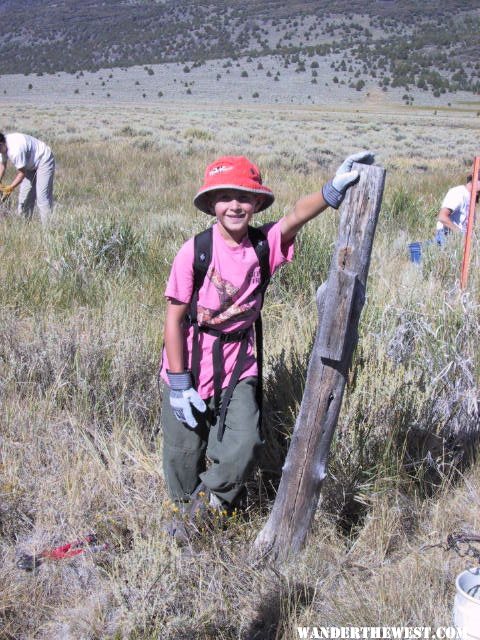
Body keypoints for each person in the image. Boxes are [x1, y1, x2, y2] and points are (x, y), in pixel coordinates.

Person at [159, 151, 374, 541]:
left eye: (244, 197)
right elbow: (174, 319)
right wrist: (178, 383)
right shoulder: (195, 251)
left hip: (240, 361)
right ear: (211, 205)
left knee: (245, 442)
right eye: (224, 197)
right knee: (182, 453)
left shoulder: (264, 245)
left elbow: (295, 216)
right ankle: (182, 520)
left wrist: (330, 191)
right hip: (190, 362)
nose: (235, 205)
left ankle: (205, 511)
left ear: (257, 203)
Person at [0, 132, 55, 225]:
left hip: (44, 159)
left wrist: (10, 188)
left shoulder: (15, 150)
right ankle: (23, 227)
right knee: (24, 198)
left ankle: (49, 230)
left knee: (42, 197)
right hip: (29, 164)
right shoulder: (3, 146)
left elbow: (22, 173)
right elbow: (2, 165)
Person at [435, 173, 478, 245]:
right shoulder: (458, 193)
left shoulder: (471, 196)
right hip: (448, 238)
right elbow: (442, 217)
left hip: (460, 241)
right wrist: (461, 235)